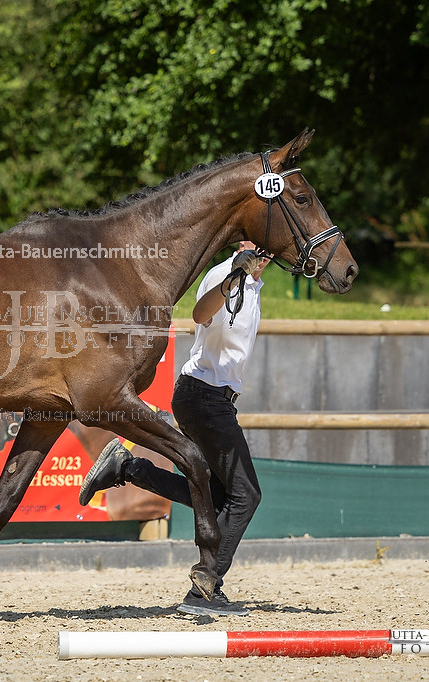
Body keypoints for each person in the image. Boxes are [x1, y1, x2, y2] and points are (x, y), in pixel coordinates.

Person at [79, 241, 268, 617]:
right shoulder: (224, 274)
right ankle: (205, 588)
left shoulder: (254, 285)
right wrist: (235, 274)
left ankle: (129, 468)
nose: (260, 254)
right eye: (252, 245)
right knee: (246, 495)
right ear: (239, 244)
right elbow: (200, 314)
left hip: (213, 398)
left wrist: (248, 275)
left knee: (218, 500)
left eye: (265, 251)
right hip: (204, 397)